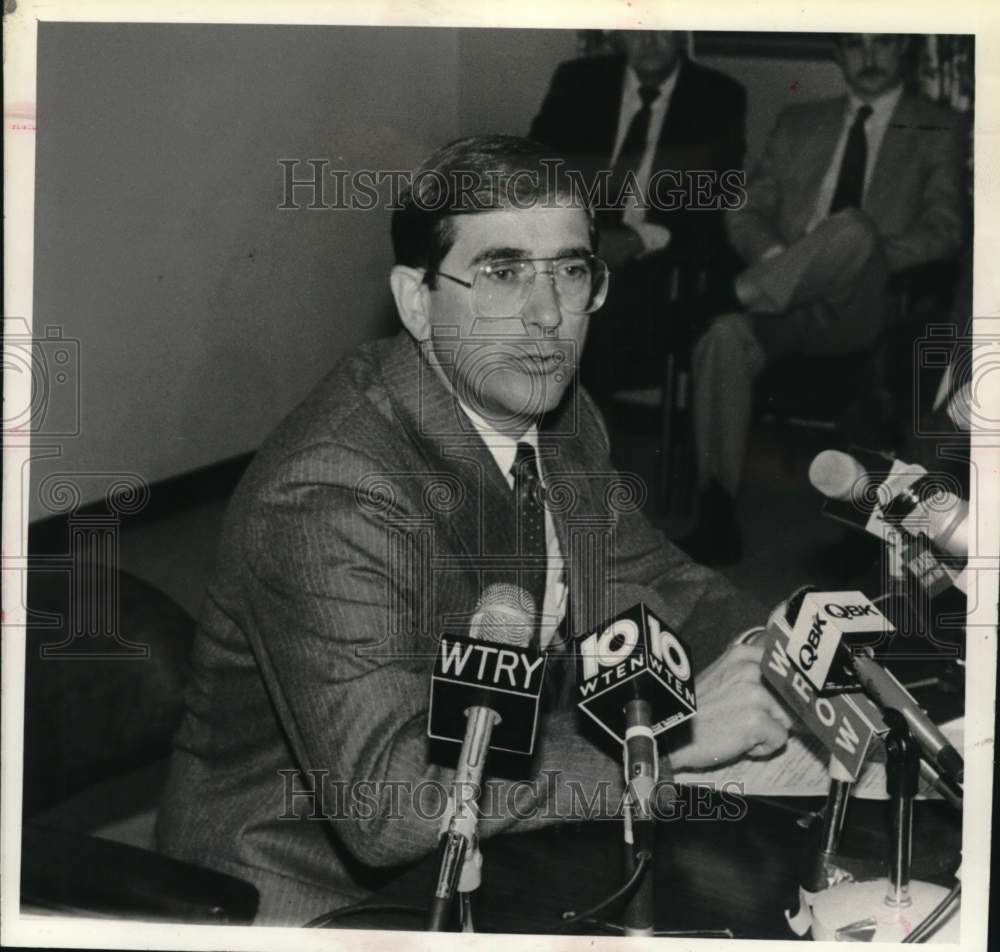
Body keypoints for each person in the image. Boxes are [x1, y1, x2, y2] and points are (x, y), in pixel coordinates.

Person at [157, 135, 791, 926]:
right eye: (502, 273)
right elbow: (388, 801)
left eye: (570, 270)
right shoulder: (330, 491)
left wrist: (774, 656)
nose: (548, 314)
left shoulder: (552, 412)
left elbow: (660, 583)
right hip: (314, 894)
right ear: (417, 300)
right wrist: (667, 740)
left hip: (502, 833)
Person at [684, 33, 968, 565]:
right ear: (838, 55)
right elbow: (746, 211)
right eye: (854, 46)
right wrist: (783, 259)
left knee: (854, 230)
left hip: (867, 305)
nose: (870, 58)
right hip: (785, 303)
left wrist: (864, 254)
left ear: (902, 49)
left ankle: (736, 293)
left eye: (882, 44)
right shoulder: (800, 120)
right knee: (723, 337)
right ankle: (716, 513)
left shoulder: (938, 125)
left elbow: (944, 229)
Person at [530, 31, 746, 412]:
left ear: (682, 34)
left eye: (661, 26)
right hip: (570, 246)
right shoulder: (579, 82)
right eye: (637, 24)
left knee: (600, 307)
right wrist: (582, 239)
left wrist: (635, 240)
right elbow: (536, 173)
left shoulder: (717, 96)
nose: (648, 39)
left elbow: (714, 206)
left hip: (656, 265)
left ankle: (583, 449)